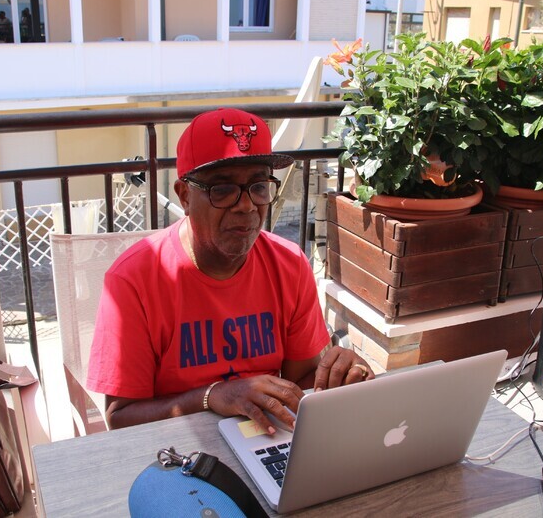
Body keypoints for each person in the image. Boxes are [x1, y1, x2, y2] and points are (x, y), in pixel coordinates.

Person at [86, 108, 375, 434]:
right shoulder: (133, 281)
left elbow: (301, 382)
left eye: (259, 186)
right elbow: (120, 417)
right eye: (222, 189)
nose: (247, 205)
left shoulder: (290, 264)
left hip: (266, 439)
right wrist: (212, 397)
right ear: (185, 196)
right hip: (178, 450)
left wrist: (339, 377)